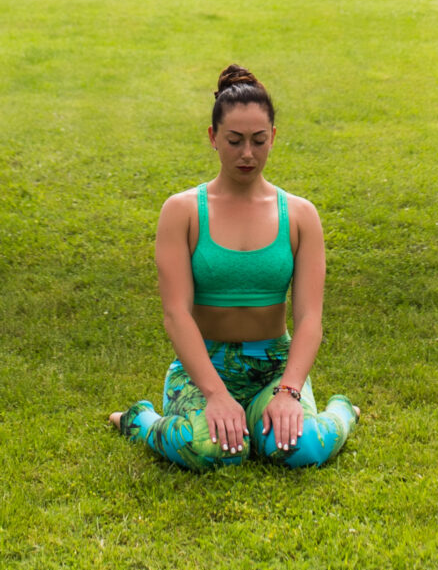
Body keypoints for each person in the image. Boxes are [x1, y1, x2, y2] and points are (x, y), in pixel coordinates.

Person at [108, 65, 359, 470]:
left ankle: (342, 412)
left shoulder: (300, 215)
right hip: (203, 369)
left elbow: (311, 317)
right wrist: (216, 394)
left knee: (301, 449)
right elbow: (175, 314)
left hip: (274, 368)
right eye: (235, 140)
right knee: (216, 452)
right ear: (212, 138)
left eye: (259, 141)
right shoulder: (182, 211)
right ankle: (142, 421)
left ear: (273, 137)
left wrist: (289, 392)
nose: (247, 154)